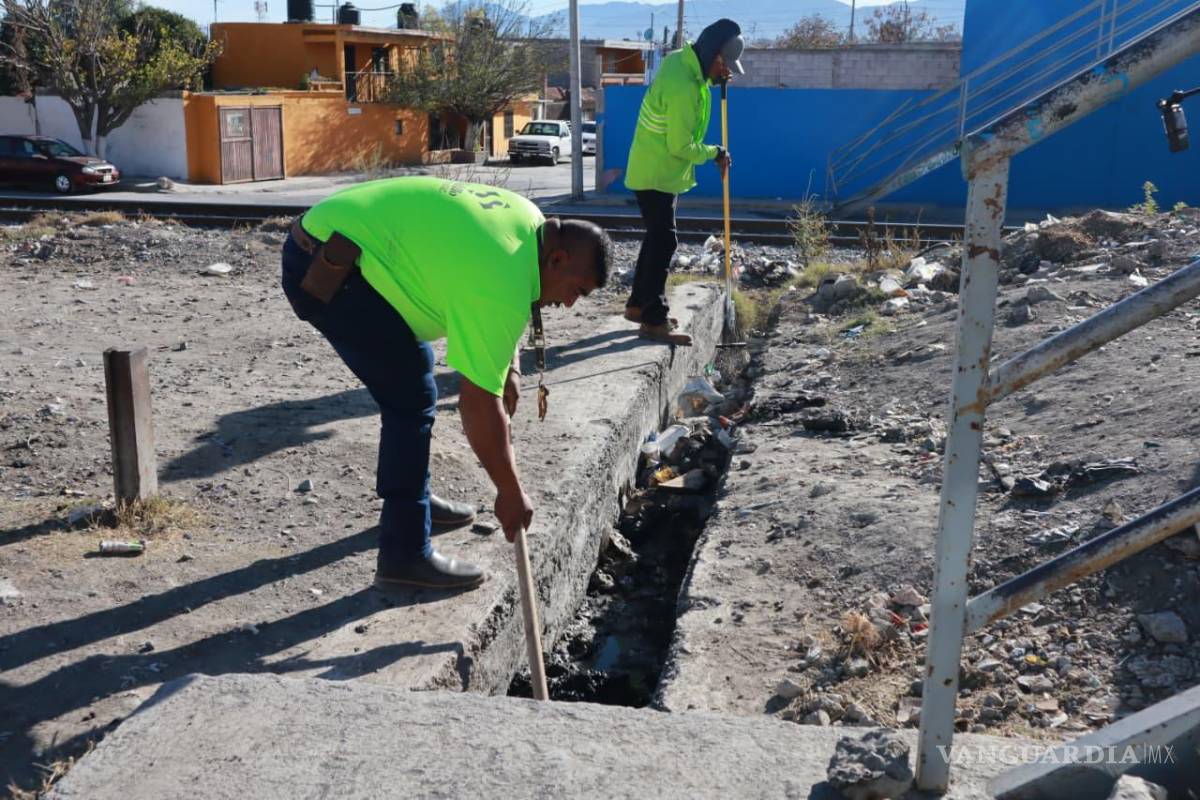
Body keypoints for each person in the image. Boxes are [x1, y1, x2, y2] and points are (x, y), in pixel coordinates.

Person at [281, 176, 612, 591]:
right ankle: (404, 554)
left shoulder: (530, 226)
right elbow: (476, 405)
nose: (568, 303)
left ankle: (412, 505)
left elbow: (508, 293)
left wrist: (510, 364)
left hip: (340, 241)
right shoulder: (501, 279)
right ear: (559, 260)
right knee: (410, 396)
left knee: (414, 368)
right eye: (576, 291)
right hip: (327, 266)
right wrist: (509, 492)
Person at [623, 18, 745, 346]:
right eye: (722, 63)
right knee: (664, 242)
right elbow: (681, 146)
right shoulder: (685, 87)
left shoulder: (682, 61)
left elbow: (694, 99)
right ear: (710, 53)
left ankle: (637, 305)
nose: (724, 69)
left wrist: (714, 79)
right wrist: (715, 152)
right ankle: (653, 319)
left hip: (656, 168)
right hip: (657, 172)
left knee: (656, 238)